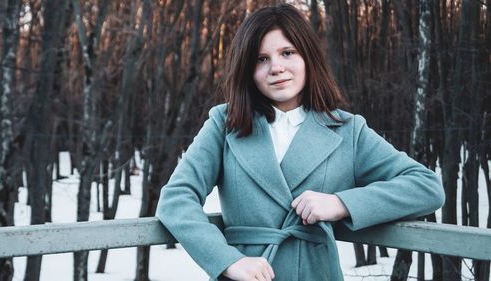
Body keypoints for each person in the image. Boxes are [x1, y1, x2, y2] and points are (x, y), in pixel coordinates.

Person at [156, 4, 445, 281]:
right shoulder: (225, 122)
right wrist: (227, 260)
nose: (276, 68)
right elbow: (176, 199)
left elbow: (426, 186)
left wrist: (342, 203)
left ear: (308, 57)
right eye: (261, 59)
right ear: (247, 69)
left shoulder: (347, 130)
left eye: (287, 52)